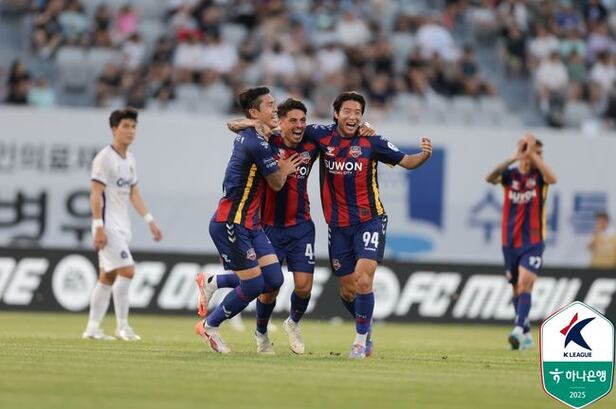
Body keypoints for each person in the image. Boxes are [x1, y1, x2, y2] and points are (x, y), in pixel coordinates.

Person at [200, 98, 375, 354]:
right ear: (280, 123)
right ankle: (261, 334)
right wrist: (251, 123)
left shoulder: (312, 141)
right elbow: (234, 126)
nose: (299, 125)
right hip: (268, 225)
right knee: (269, 287)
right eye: (292, 120)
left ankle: (292, 323)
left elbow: (342, 130)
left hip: (301, 226)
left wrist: (364, 126)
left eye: (302, 120)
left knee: (303, 287)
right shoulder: (269, 140)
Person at [303, 91, 432, 359]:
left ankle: (360, 342)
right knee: (348, 290)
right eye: (347, 111)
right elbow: (289, 129)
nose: (352, 116)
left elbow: (407, 162)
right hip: (338, 225)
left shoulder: (372, 140)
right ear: (336, 113)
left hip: (369, 220)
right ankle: (366, 328)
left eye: (357, 112)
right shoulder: (320, 135)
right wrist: (253, 125)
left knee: (363, 279)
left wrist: (424, 155)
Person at [197, 87, 301, 354]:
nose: (275, 108)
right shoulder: (256, 143)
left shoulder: (259, 134)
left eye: (274, 103)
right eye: (269, 105)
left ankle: (215, 282)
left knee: (273, 279)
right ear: (255, 113)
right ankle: (209, 326)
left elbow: (233, 124)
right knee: (254, 285)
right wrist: (285, 168)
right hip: (232, 221)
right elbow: (276, 183)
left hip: (252, 224)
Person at [82, 108, 163, 341]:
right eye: (125, 126)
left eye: (133, 126)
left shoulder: (130, 159)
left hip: (122, 225)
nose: (130, 131)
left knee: (107, 276)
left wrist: (149, 220)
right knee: (128, 270)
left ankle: (92, 328)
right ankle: (122, 326)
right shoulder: (104, 157)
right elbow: (95, 193)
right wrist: (98, 226)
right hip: (107, 225)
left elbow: (134, 193)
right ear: (114, 129)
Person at [486, 134, 557, 350]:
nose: (537, 155)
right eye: (534, 151)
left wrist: (533, 156)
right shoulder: (510, 175)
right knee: (517, 288)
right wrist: (513, 158)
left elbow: (553, 179)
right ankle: (525, 334)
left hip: (533, 241)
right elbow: (489, 178)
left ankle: (517, 329)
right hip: (509, 242)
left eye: (539, 152)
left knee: (526, 282)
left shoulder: (540, 176)